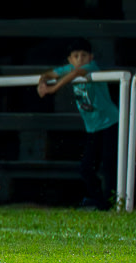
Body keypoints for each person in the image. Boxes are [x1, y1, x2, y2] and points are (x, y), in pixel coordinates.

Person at [37, 38, 120, 210]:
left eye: (84, 55)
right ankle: (99, 201)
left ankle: (112, 202)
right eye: (76, 56)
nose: (80, 59)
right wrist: (42, 82)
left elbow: (76, 74)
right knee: (86, 168)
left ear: (91, 57)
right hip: (93, 128)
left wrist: (53, 89)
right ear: (70, 59)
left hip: (110, 123)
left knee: (109, 164)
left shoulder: (90, 68)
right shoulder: (69, 69)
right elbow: (50, 73)